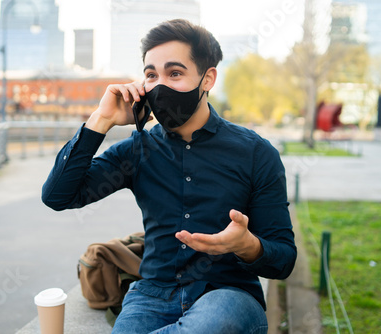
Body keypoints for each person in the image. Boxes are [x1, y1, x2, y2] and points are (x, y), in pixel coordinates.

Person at [42, 19, 296, 334]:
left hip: (227, 295)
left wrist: (247, 245)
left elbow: (284, 259)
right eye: (151, 75)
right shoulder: (137, 150)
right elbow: (58, 196)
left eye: (174, 73)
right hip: (151, 296)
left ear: (208, 79)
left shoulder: (257, 153)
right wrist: (101, 120)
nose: (159, 86)